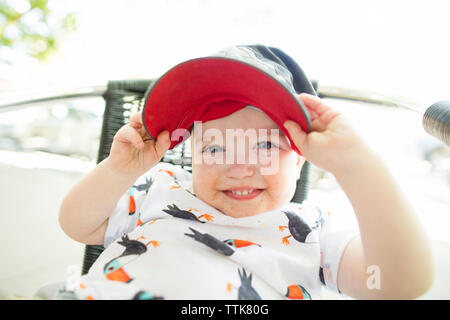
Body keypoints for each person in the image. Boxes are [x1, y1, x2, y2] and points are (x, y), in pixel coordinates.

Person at [56, 45, 434, 300]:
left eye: (267, 145)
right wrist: (117, 171)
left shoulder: (315, 231)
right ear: (192, 154)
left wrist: (358, 167)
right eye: (215, 148)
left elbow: (399, 283)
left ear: (300, 159)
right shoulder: (160, 189)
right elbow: (78, 224)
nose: (238, 167)